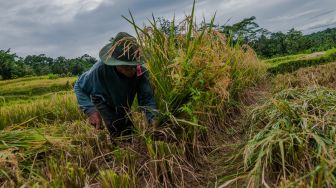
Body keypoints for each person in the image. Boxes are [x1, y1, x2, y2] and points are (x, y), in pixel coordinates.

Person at [74, 32, 157, 137]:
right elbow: (79, 86)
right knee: (119, 131)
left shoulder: (141, 71)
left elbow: (147, 98)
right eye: (126, 67)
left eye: (133, 66)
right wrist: (90, 111)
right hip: (103, 99)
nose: (132, 70)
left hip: (123, 103)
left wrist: (152, 117)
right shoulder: (99, 70)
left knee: (129, 131)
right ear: (116, 63)